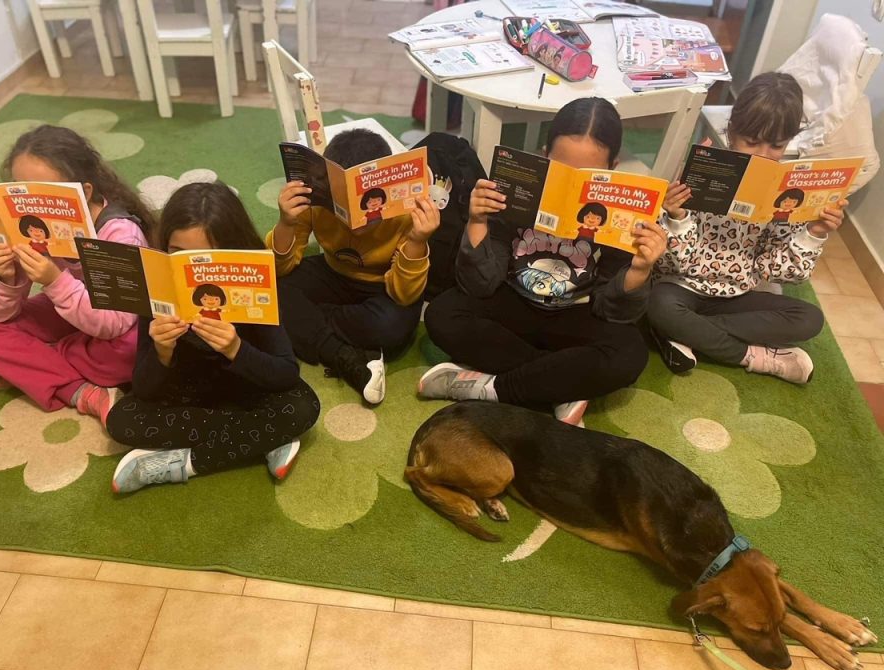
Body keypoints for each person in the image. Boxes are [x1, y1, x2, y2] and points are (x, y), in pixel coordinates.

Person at [419, 97, 667, 426]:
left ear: (613, 168)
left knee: (630, 353)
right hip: (514, 301)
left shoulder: (624, 216)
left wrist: (640, 269)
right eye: (560, 168)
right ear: (544, 154)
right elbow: (480, 286)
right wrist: (477, 221)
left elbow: (613, 312)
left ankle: (493, 388)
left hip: (578, 313)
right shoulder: (516, 189)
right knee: (442, 314)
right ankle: (560, 383)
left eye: (589, 174)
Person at [108, 182, 321, 493]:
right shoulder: (158, 287)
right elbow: (143, 388)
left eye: (208, 257)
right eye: (177, 254)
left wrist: (236, 348)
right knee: (121, 420)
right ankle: (266, 437)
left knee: (303, 406)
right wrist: (162, 351)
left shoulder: (254, 286)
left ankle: (184, 464)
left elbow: (286, 373)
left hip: (248, 388)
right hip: (189, 394)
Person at [650, 72, 846, 383]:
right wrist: (677, 216)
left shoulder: (784, 190)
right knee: (658, 305)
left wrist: (814, 234)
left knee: (809, 318)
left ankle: (683, 332)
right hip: (682, 287)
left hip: (737, 294)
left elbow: (776, 271)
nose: (763, 155)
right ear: (731, 132)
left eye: (777, 146)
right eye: (751, 143)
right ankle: (753, 357)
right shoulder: (700, 170)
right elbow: (671, 262)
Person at [0, 125, 153, 423]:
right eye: (22, 192)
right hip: (71, 310)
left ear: (84, 192)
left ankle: (32, 364)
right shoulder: (28, 228)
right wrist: (4, 278)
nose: (33, 207)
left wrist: (54, 281)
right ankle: (83, 391)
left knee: (134, 348)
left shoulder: (120, 234)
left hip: (113, 323)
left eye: (45, 193)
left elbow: (115, 324)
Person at [268, 128, 440, 405]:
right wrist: (286, 222)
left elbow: (404, 294)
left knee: (391, 327)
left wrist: (418, 240)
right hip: (333, 272)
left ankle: (313, 328)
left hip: (384, 282)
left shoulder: (406, 210)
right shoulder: (317, 202)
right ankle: (343, 353)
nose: (356, 219)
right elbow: (278, 268)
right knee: (269, 289)